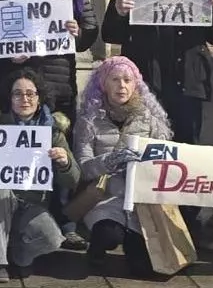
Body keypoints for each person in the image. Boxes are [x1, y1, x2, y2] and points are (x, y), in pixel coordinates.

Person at [101, 0, 213, 247]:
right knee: (144, 155)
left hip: (187, 87)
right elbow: (109, 34)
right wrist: (117, 12)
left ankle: (189, 227)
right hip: (145, 89)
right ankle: (143, 226)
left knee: (187, 155)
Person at [0, 68, 80, 283]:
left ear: (39, 97)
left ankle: (17, 253)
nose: (24, 99)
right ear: (9, 98)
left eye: (30, 93)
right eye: (17, 94)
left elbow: (73, 180)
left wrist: (65, 163)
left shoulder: (53, 133)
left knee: (52, 240)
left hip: (32, 204)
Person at [74, 56, 172, 278]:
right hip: (104, 197)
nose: (122, 86)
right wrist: (110, 160)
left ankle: (134, 243)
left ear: (136, 83)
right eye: (115, 79)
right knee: (108, 235)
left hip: (140, 201)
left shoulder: (150, 118)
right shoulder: (89, 120)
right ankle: (96, 248)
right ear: (103, 84)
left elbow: (165, 161)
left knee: (144, 269)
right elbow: (83, 167)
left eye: (128, 80)